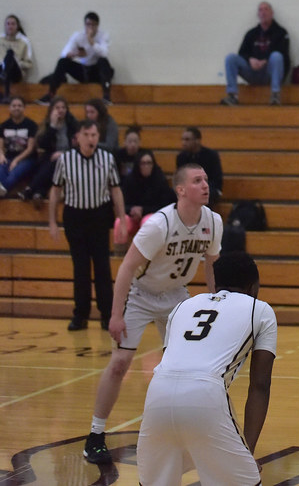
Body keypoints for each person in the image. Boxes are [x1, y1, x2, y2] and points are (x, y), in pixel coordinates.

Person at [83, 162, 221, 465]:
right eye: (198, 180)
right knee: (120, 363)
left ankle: (181, 432)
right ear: (181, 189)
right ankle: (95, 435)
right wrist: (115, 315)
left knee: (185, 368)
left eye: (206, 180)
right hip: (142, 295)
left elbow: (212, 263)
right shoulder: (160, 225)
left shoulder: (213, 220)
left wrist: (215, 301)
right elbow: (127, 268)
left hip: (176, 297)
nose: (205, 185)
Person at [135, 251, 275, 485]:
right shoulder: (260, 309)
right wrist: (246, 452)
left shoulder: (182, 306)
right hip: (206, 396)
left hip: (157, 395)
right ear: (253, 286)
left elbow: (171, 359)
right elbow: (260, 386)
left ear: (216, 283)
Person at [48, 119, 128, 331]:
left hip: (99, 216)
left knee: (102, 267)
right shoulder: (66, 160)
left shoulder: (107, 158)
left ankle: (105, 315)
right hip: (75, 216)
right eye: (88, 135)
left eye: (94, 135)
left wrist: (121, 219)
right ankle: (80, 315)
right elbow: (55, 191)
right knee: (80, 268)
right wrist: (52, 221)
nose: (92, 139)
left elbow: (116, 190)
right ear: (78, 137)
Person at [221, 0, 291, 106]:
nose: (263, 13)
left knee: (277, 56)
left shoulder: (281, 32)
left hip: (269, 72)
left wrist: (265, 61)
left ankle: (275, 95)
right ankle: (232, 96)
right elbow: (242, 53)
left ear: (272, 13)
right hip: (252, 71)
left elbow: (284, 56)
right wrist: (250, 59)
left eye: (266, 9)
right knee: (230, 58)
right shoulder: (251, 33)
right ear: (258, 14)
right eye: (260, 10)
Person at [37, 11, 114, 105]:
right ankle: (50, 94)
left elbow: (104, 53)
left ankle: (106, 97)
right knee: (63, 62)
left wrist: (92, 42)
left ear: (97, 26)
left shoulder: (103, 36)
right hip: (82, 71)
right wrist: (76, 54)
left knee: (103, 61)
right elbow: (64, 54)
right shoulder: (78, 36)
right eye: (88, 24)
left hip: (96, 72)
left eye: (93, 25)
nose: (90, 28)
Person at [19, 95, 78, 205]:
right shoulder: (48, 123)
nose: (60, 110)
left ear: (67, 109)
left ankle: (30, 189)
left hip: (70, 157)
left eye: (63, 107)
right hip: (50, 157)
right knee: (47, 163)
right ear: (52, 110)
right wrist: (53, 127)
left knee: (55, 162)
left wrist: (64, 154)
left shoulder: (72, 123)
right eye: (57, 107)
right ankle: (38, 193)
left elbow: (78, 145)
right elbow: (43, 145)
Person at [113, 149, 176, 243]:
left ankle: (145, 257)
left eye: (149, 163)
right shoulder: (129, 180)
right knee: (120, 222)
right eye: (143, 163)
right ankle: (119, 255)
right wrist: (132, 210)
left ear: (153, 164)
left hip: (152, 214)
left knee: (148, 223)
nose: (146, 166)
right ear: (138, 165)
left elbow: (164, 207)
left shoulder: (160, 180)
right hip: (133, 216)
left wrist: (143, 210)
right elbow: (122, 204)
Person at [176, 126, 223, 206]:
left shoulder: (211, 155)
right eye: (183, 139)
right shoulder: (181, 157)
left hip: (208, 187)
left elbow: (216, 179)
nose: (183, 143)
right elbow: (180, 178)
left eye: (187, 140)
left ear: (197, 141)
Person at [0, 96, 37, 196]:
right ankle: (3, 192)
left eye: (19, 106)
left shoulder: (31, 125)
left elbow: (30, 148)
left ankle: (3, 190)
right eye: (14, 105)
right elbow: (0, 145)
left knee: (14, 173)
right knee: (1, 169)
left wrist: (16, 160)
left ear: (24, 108)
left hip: (27, 159)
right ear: (9, 108)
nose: (17, 108)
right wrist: (1, 155)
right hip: (8, 157)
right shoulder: (4, 125)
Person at [1, 14, 33, 103]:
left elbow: (29, 64)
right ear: (5, 26)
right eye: (8, 24)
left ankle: (7, 94)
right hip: (1, 68)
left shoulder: (23, 42)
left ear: (17, 26)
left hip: (15, 72)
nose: (10, 26)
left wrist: (18, 62)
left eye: (13, 24)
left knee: (10, 54)